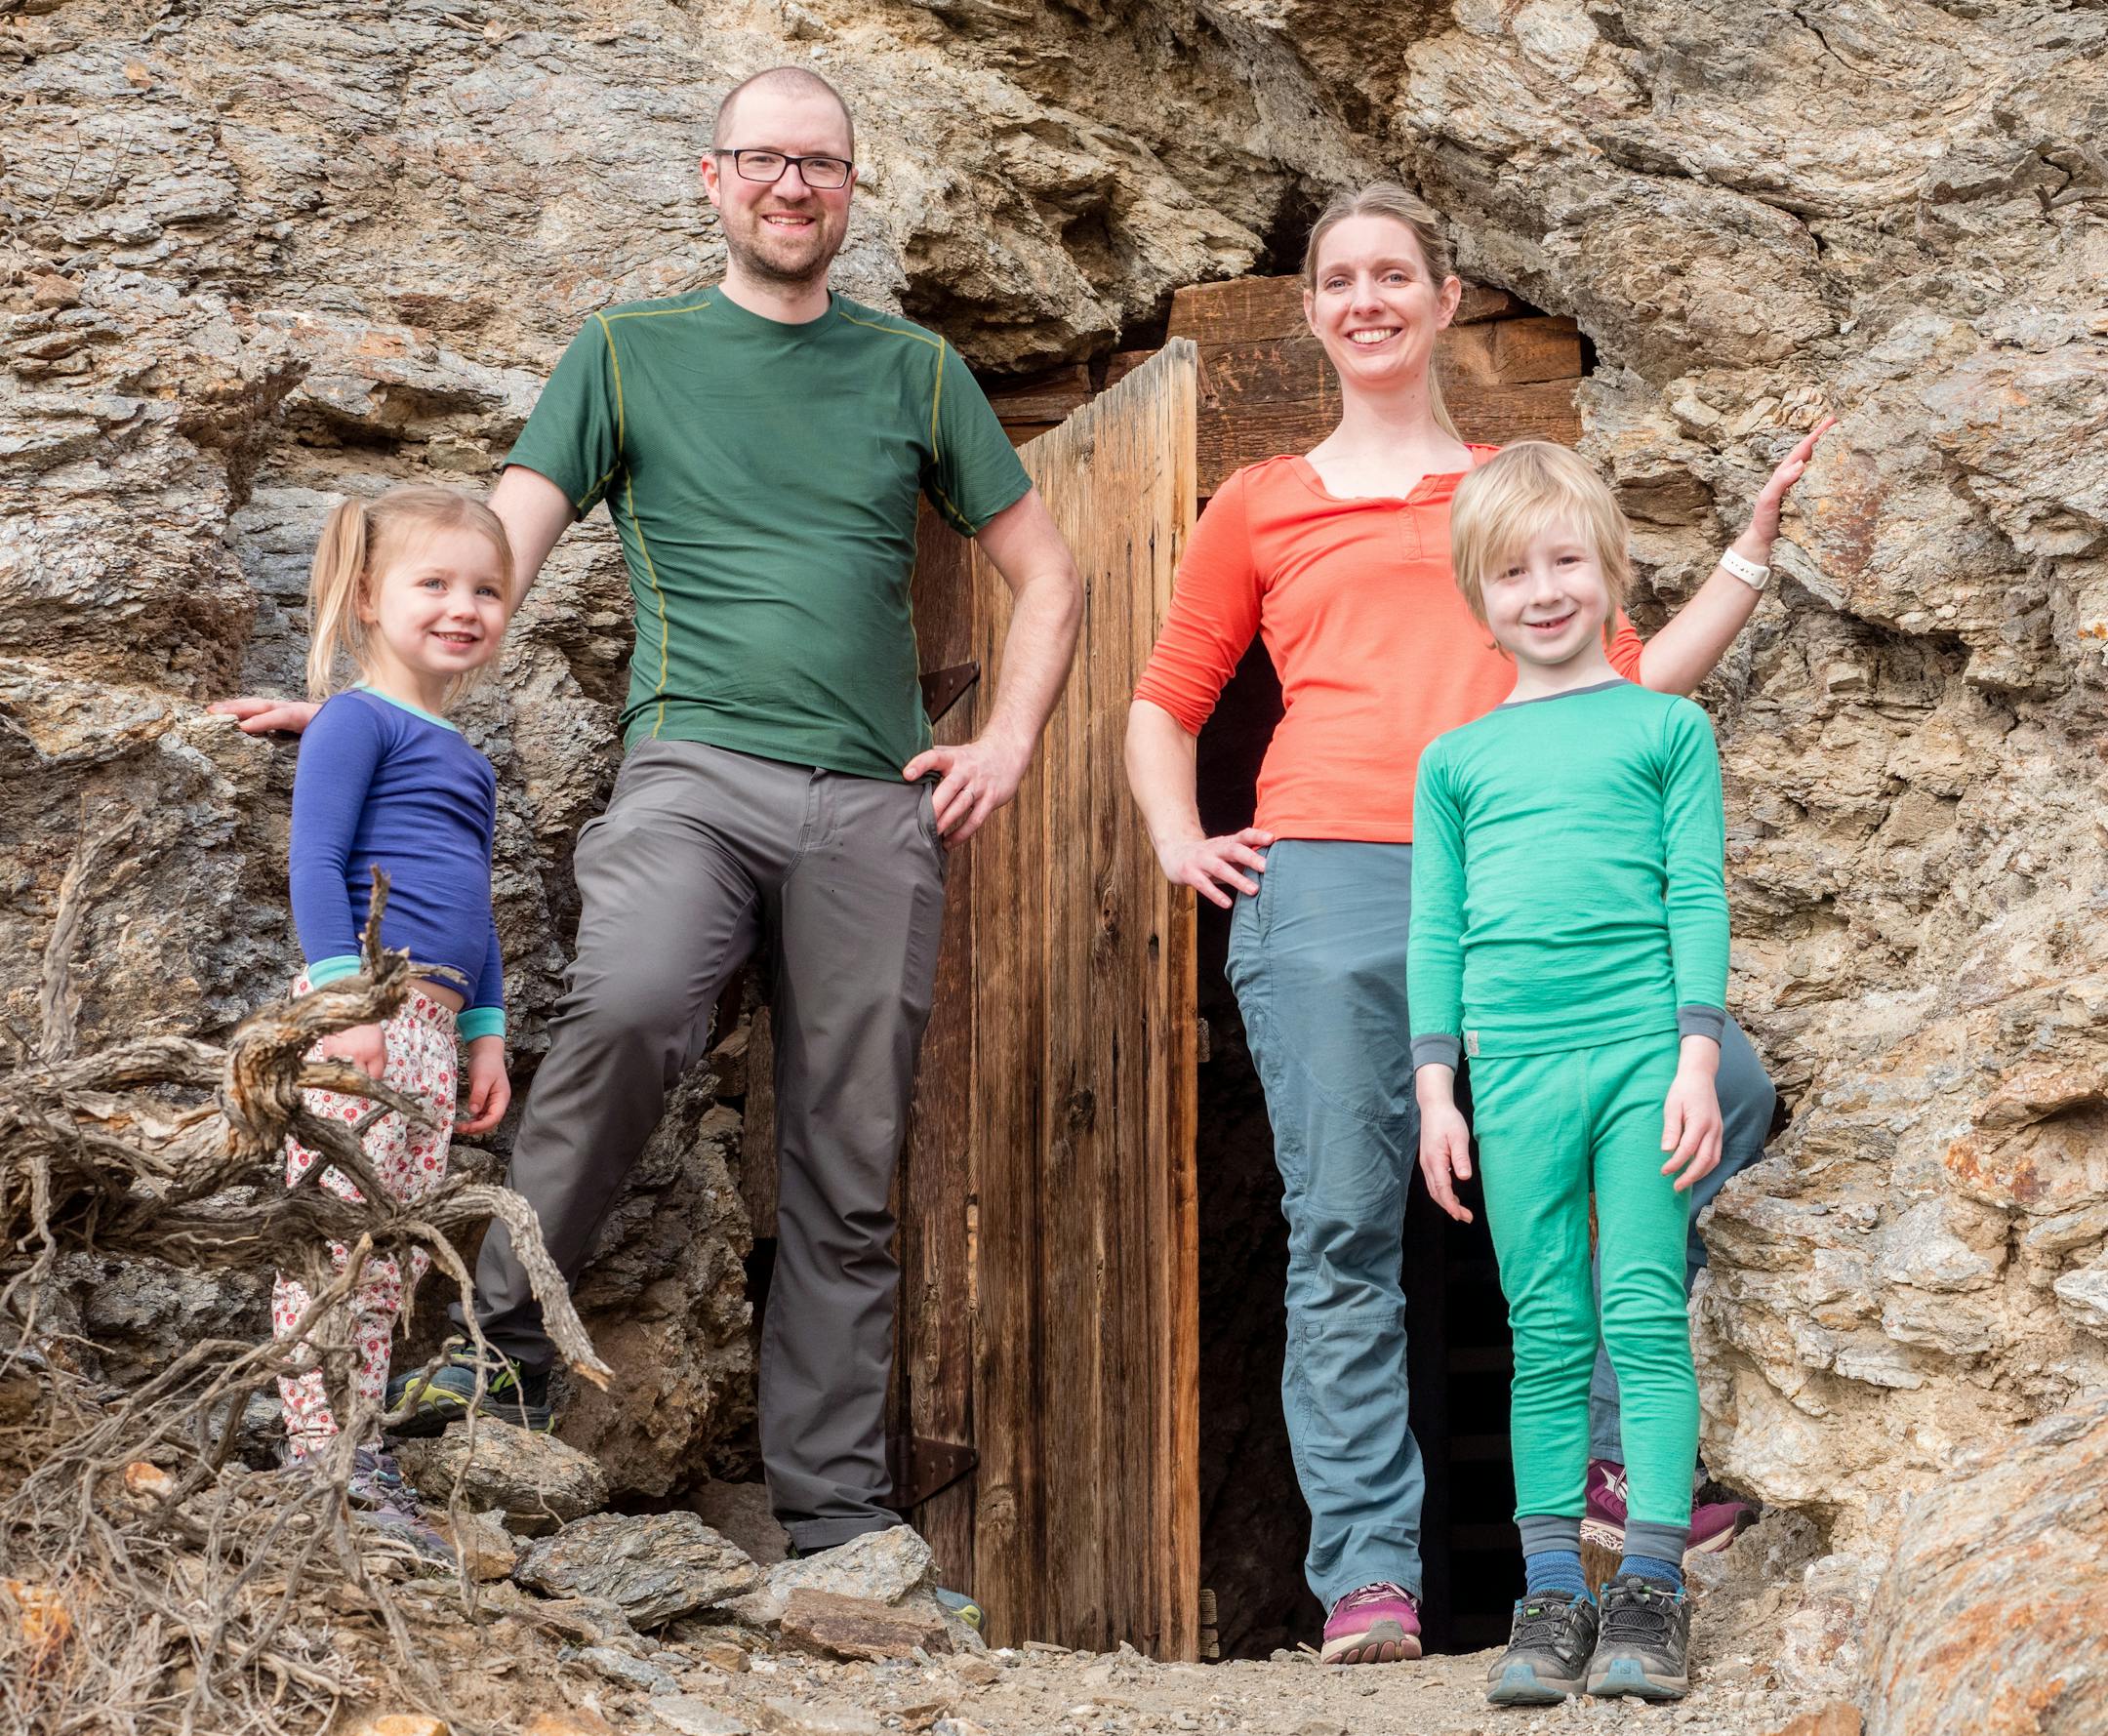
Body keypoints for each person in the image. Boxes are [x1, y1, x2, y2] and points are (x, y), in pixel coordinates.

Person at [215, 67, 1080, 1596]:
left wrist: (1004, 738)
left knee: (852, 1148)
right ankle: (483, 1370)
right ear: (712, 179)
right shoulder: (625, 351)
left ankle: (836, 1511)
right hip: (688, 771)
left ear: (851, 189)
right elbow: (489, 555)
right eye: (765, 161)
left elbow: (1049, 571)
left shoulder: (919, 371)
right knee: (623, 1009)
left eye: (821, 164)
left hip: (878, 802)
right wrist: (372, 710)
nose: (792, 187)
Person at [1123, 180, 1832, 1664]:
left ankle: (1614, 1463)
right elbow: (1164, 699)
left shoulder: (1519, 482)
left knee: (1728, 1097)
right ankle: (1371, 1576)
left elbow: (1632, 684)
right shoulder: (1259, 499)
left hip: (1528, 898)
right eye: (1341, 280)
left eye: (1397, 275)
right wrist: (1183, 834)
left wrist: (1751, 559)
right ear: (1314, 313)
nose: (1368, 299)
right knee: (1343, 1225)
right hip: (1322, 884)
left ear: (1447, 300)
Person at [1412, 440, 1748, 1703]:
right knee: (1545, 1333)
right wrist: (1437, 1087)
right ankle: (1550, 1592)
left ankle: (1649, 1589)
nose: (1543, 589)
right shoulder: (1455, 761)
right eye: (1513, 570)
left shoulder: (1666, 726)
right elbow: (1435, 930)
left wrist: (1697, 1059)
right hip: (1514, 1079)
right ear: (1478, 595)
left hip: (1640, 1059)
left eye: (1566, 560)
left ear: (1611, 573)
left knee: (1644, 1315)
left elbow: (1696, 895)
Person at [272, 484, 518, 1557]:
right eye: (436, 583)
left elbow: (475, 901)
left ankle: (355, 1445)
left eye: (487, 590)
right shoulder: (354, 719)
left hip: (435, 1020)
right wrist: (341, 1004)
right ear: (368, 598)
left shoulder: (467, 757)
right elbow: (314, 860)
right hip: (364, 1011)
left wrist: (488, 1030)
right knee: (332, 1243)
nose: (463, 606)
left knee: (394, 1251)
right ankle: (321, 1461)